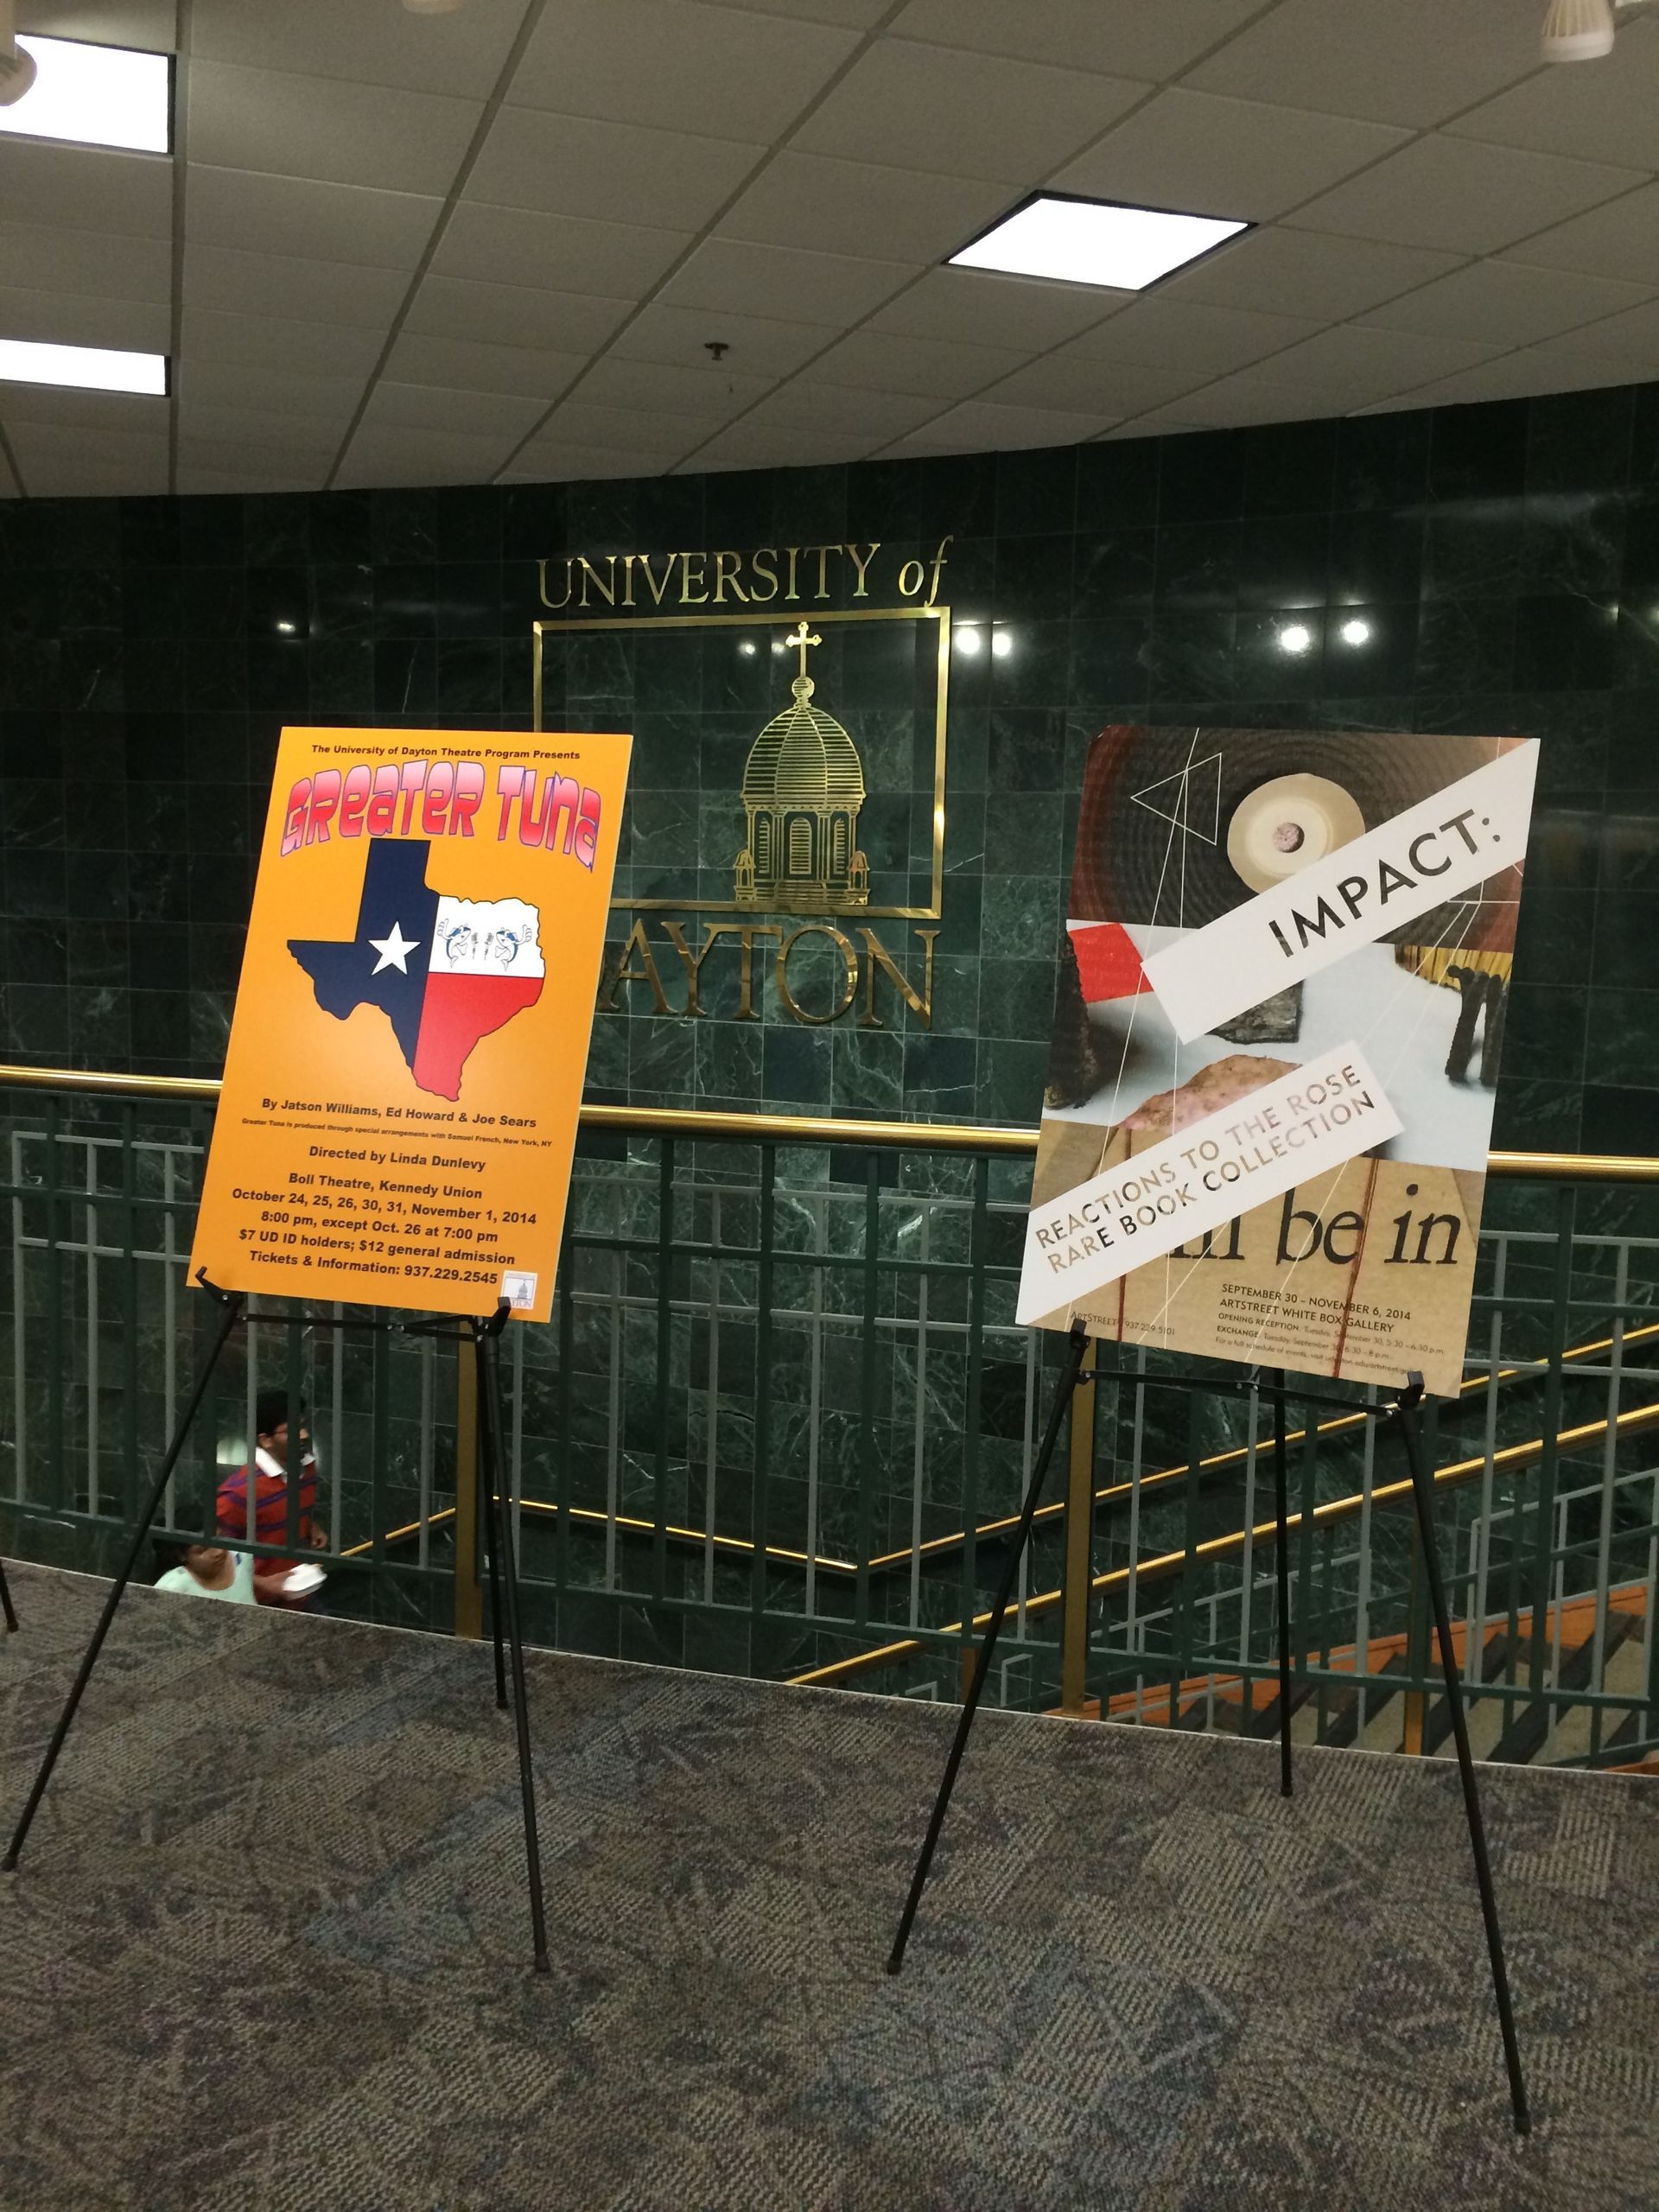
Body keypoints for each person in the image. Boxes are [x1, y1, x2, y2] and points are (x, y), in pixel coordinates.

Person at [216, 1391, 328, 1607]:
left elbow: (283, 1508)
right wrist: (263, 1584)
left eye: (303, 1426)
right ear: (265, 1440)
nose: (304, 1435)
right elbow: (216, 1557)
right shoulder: (238, 1494)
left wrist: (310, 1526)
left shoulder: (307, 1467)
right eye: (291, 1430)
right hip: (258, 1602)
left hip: (300, 1586)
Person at [153, 1518, 257, 1605]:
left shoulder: (242, 1558)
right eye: (204, 1549)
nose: (218, 1552)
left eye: (220, 1540)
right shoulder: (172, 1587)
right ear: (182, 1555)